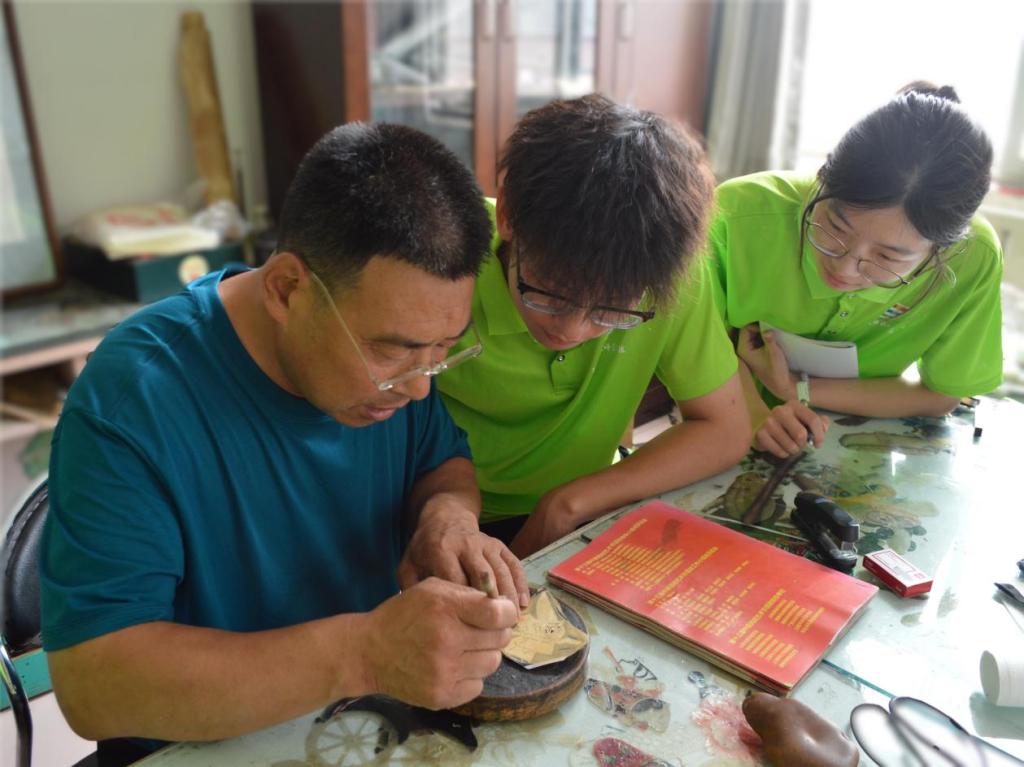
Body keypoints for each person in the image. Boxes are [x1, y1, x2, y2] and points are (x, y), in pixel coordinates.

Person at [39, 123, 527, 760]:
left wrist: (447, 519)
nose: (417, 387)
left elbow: (442, 461)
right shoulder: (135, 399)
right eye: (392, 350)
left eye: (443, 349)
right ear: (287, 289)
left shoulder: (395, 371)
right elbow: (94, 686)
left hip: (361, 722)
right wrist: (364, 654)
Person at [437, 94, 751, 557]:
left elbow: (724, 428)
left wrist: (568, 503)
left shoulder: (662, 272)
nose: (571, 331)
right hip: (436, 510)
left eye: (611, 311)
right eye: (550, 293)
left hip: (579, 508)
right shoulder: (444, 255)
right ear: (507, 217)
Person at [706, 83, 1003, 458]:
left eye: (887, 257)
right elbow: (699, 345)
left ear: (941, 251)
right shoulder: (737, 214)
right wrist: (751, 414)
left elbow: (942, 394)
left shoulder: (973, 257)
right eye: (834, 227)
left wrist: (797, 388)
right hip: (721, 419)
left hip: (864, 444)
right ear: (822, 177)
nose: (844, 268)